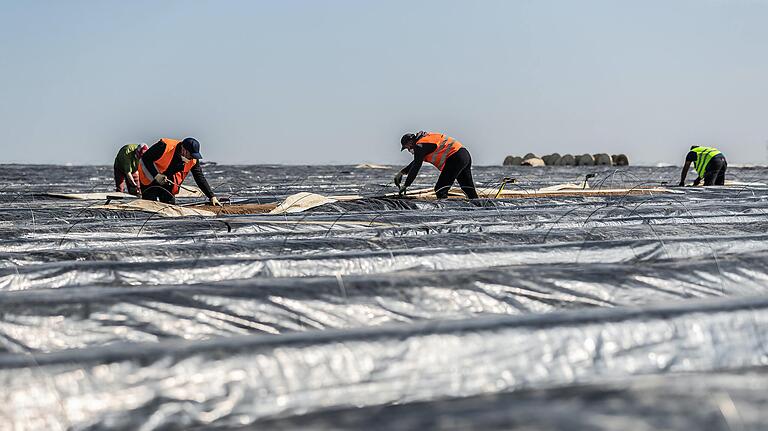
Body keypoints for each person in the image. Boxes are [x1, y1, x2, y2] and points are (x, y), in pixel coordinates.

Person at [138, 137, 222, 206]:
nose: (191, 158)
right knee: (150, 205)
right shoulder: (164, 146)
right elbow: (145, 159)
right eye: (190, 155)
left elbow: (199, 177)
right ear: (183, 150)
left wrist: (211, 196)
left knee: (169, 206)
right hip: (149, 176)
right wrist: (156, 175)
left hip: (166, 180)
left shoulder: (193, 160)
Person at [395, 131, 479, 199]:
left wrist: (406, 184)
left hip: (455, 157)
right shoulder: (424, 141)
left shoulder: (420, 146)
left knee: (440, 189)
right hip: (464, 155)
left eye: (407, 147)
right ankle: (479, 207)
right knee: (468, 188)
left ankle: (446, 213)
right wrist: (402, 172)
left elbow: (417, 165)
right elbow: (415, 162)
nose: (409, 150)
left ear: (410, 142)